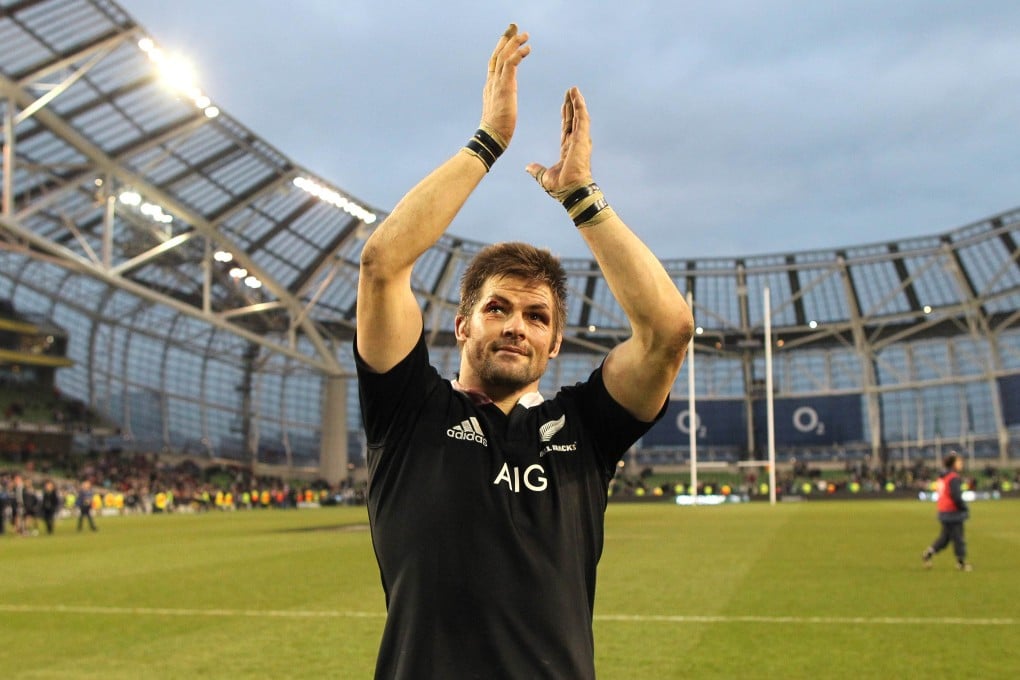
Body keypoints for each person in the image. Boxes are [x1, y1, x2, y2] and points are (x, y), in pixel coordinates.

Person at [354, 24, 693, 679]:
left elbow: (669, 330)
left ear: (555, 342)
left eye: (537, 317)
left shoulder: (586, 428)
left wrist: (581, 197)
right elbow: (381, 264)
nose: (517, 326)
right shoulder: (407, 410)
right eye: (498, 308)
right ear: (462, 325)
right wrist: (489, 140)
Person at [922, 452, 971, 571]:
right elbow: (956, 496)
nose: (961, 464)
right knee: (958, 538)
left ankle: (929, 553)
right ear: (953, 464)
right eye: (959, 462)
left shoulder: (942, 476)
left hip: (943, 510)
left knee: (945, 538)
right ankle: (961, 563)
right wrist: (964, 508)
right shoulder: (953, 477)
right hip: (952, 511)